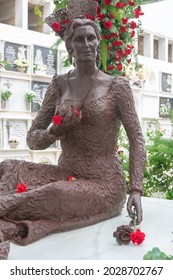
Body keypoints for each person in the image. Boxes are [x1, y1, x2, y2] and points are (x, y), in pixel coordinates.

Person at [0, 16, 146, 253]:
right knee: (10, 167)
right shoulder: (59, 84)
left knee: (55, 192)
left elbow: (136, 139)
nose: (86, 44)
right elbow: (32, 139)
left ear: (98, 43)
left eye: (91, 38)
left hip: (104, 185)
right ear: (70, 46)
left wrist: (136, 189)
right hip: (64, 173)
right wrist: (54, 132)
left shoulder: (116, 86)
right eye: (79, 39)